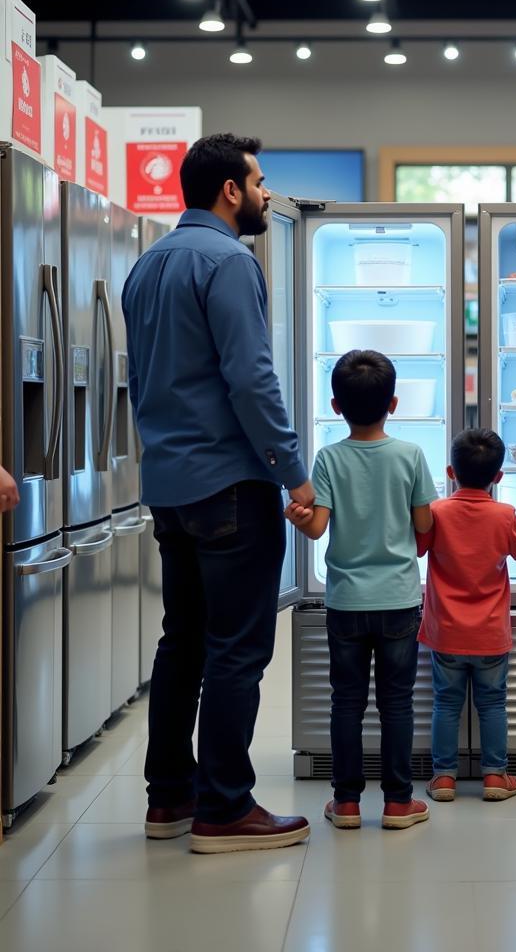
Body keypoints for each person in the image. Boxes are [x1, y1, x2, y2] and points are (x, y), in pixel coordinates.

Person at [122, 133, 314, 854]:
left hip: (170, 486)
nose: (266, 193)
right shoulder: (229, 261)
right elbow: (250, 380)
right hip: (231, 486)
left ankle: (168, 798)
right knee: (236, 649)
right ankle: (226, 808)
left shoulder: (147, 265)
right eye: (260, 181)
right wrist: (294, 473)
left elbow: (138, 382)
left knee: (183, 643)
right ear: (230, 190)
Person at [284, 349, 436, 831]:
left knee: (346, 702)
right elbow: (424, 525)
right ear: (394, 404)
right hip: (398, 599)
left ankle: (346, 802)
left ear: (335, 405)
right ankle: (397, 803)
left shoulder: (328, 458)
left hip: (346, 600)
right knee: (397, 702)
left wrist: (299, 518)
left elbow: (317, 530)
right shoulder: (411, 455)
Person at [415, 429, 516, 803]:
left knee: (446, 703)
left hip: (446, 632)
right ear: (498, 476)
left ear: (451, 471)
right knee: (492, 704)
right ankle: (495, 778)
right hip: (489, 634)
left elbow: (419, 547)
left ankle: (444, 779)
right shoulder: (504, 515)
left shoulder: (436, 511)